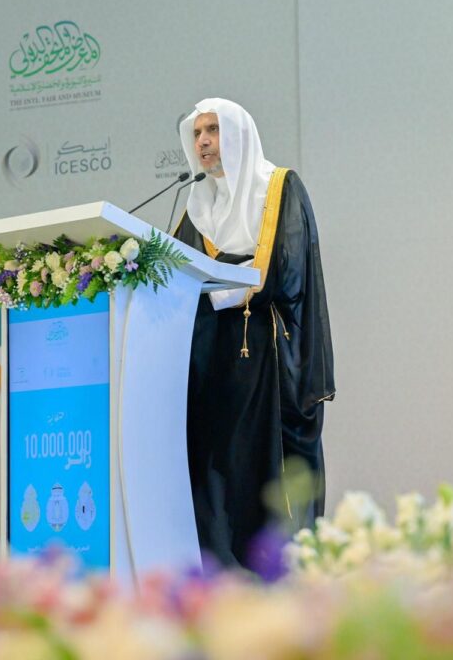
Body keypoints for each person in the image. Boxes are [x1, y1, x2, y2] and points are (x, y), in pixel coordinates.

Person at [174, 97, 335, 568]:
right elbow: (177, 273)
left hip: (267, 359)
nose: (203, 142)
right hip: (214, 367)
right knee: (218, 476)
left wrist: (223, 291)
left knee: (266, 477)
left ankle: (279, 576)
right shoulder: (197, 207)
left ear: (237, 136)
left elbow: (289, 270)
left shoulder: (279, 187)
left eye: (213, 131)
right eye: (197, 134)